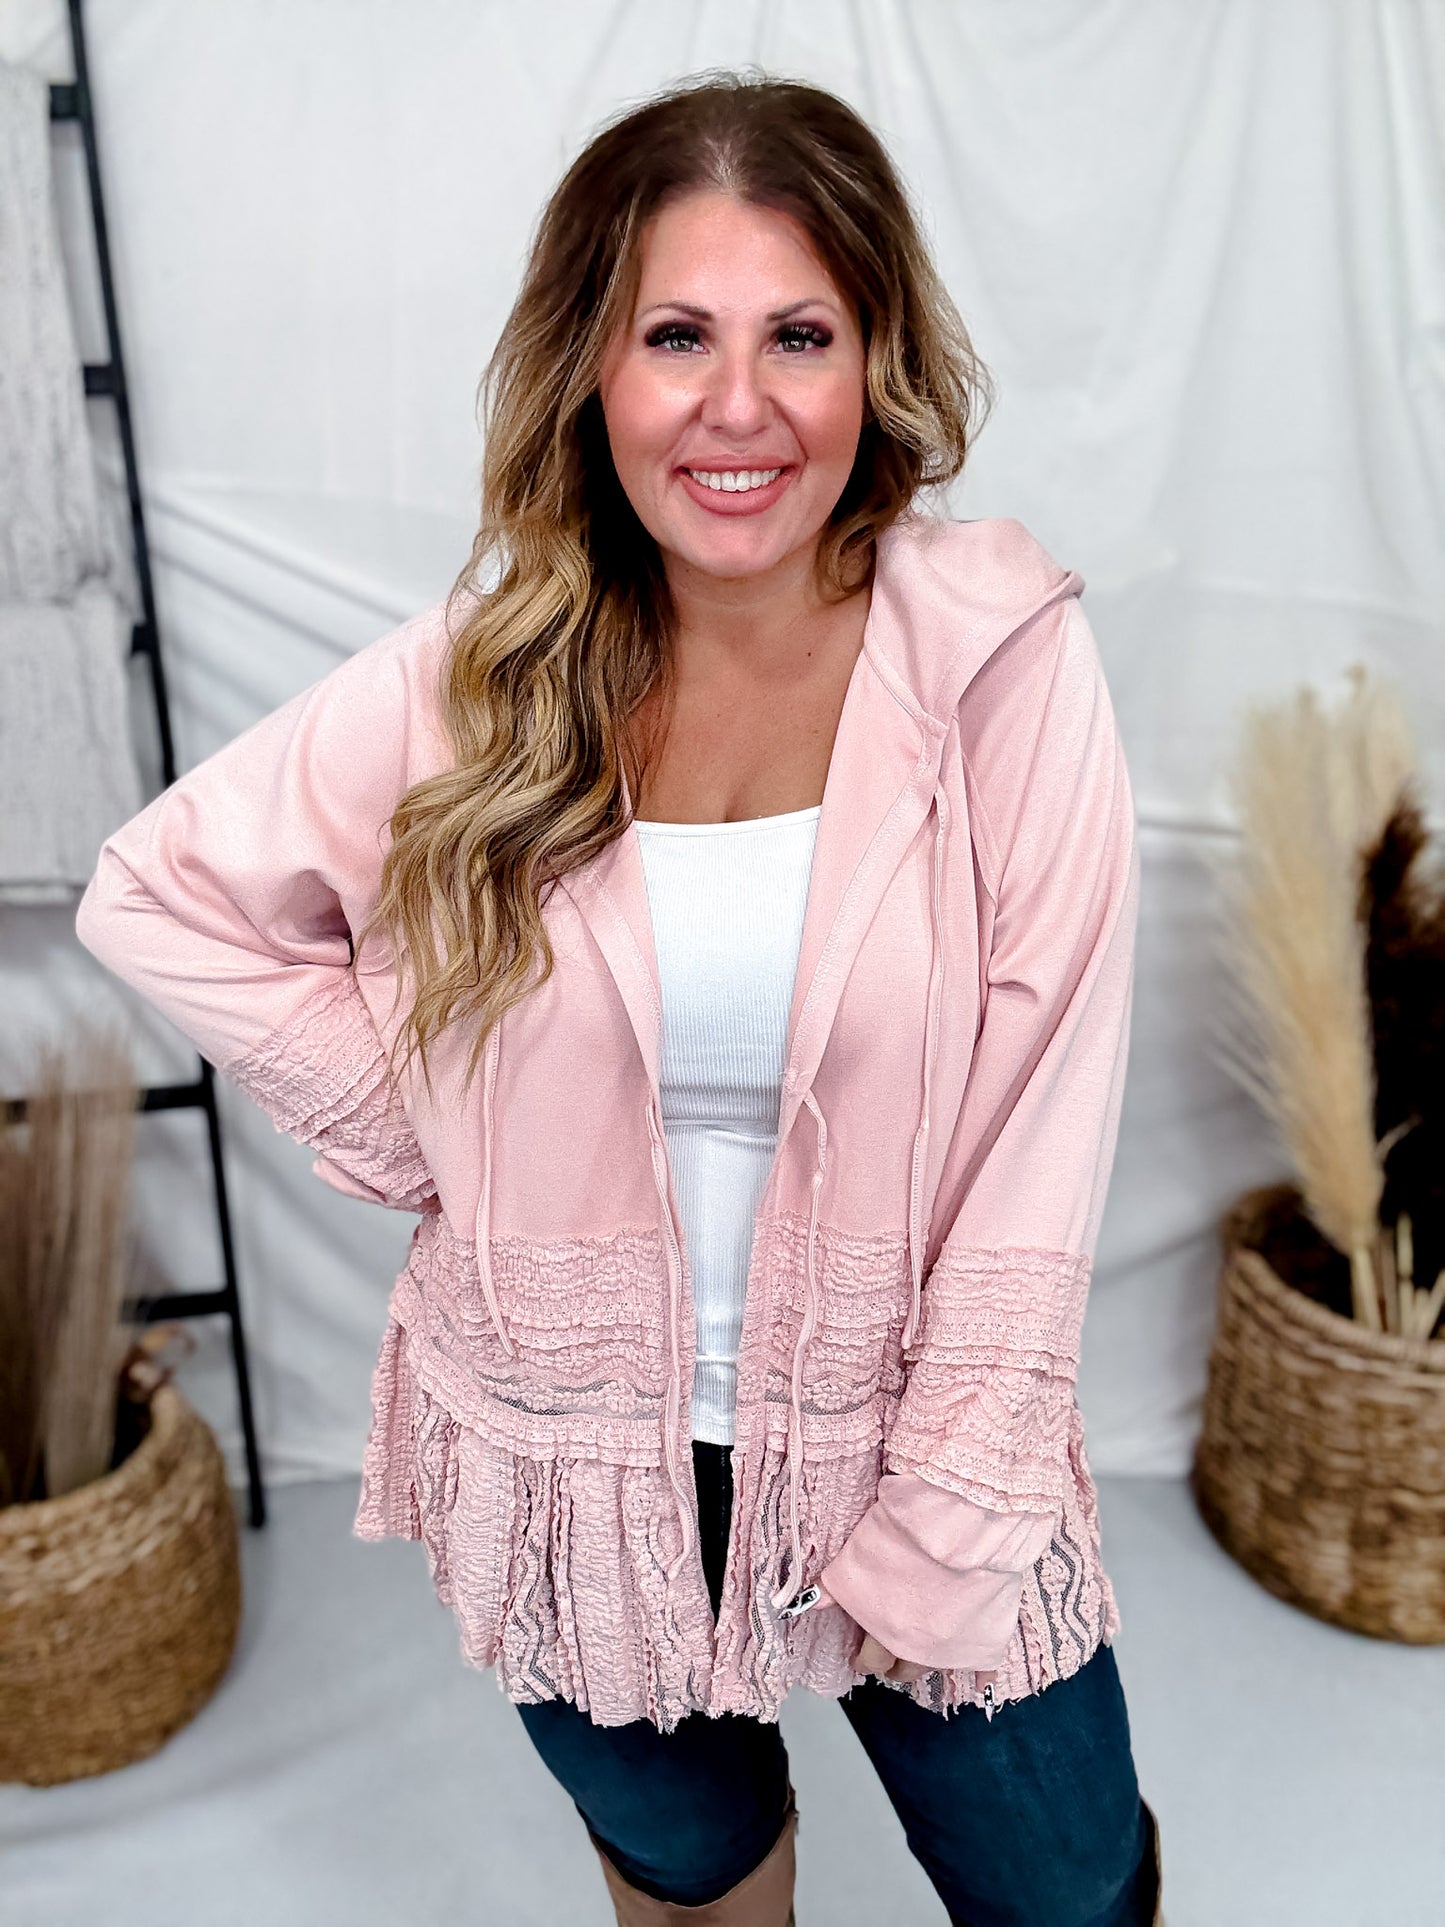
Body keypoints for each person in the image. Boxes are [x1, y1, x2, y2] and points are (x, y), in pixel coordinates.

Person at [75, 69, 1161, 1927]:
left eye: (797, 336)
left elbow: (1039, 1126)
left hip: (913, 1432)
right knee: (690, 1874)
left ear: (875, 361)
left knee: (1063, 1892)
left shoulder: (995, 659)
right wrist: (433, 1127)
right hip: (567, 1455)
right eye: (676, 336)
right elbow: (158, 890)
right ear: (593, 367)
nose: (737, 406)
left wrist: (948, 1523)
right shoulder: (489, 673)